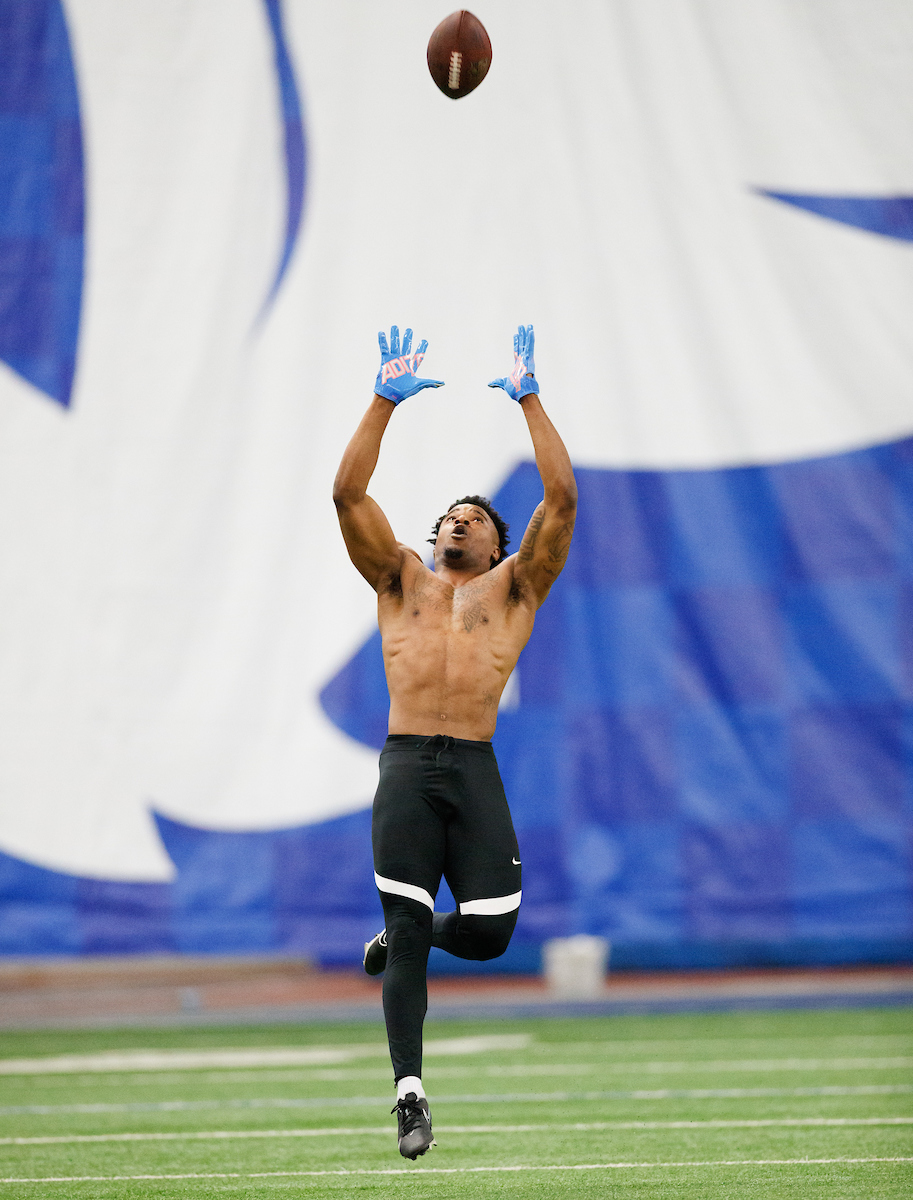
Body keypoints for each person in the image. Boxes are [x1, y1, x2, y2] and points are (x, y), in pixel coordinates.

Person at [332, 324, 577, 1159]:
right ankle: (409, 1095)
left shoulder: (515, 591)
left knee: (490, 930)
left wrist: (528, 398)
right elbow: (345, 496)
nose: (456, 521)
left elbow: (564, 498)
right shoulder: (399, 579)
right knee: (408, 934)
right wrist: (380, 404)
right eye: (448, 516)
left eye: (472, 517)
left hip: (471, 766)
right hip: (406, 765)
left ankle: (401, 937)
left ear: (499, 546)